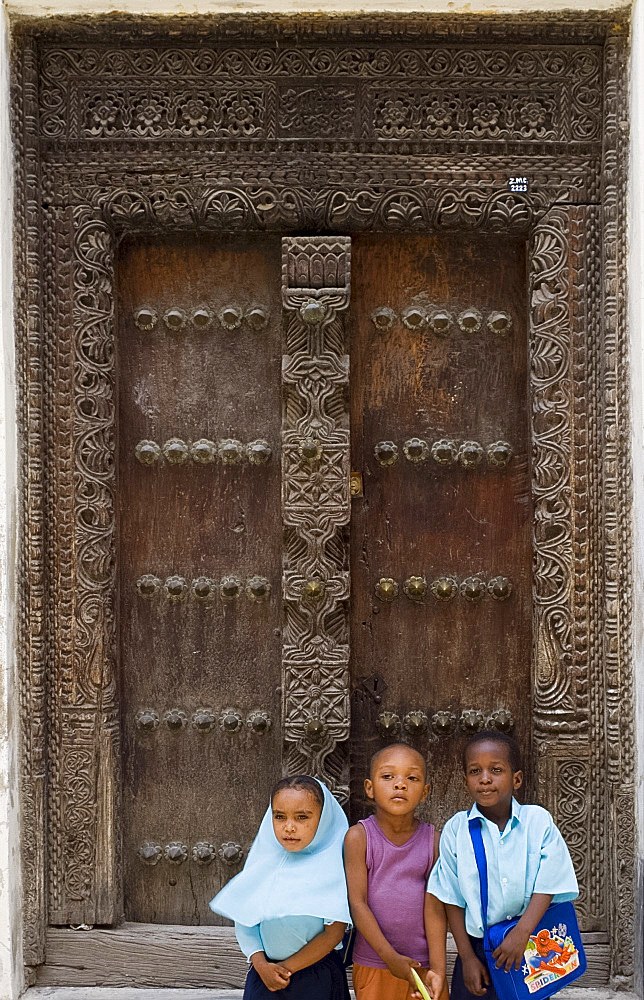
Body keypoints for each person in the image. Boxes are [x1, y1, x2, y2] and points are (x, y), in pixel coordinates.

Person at [427, 730, 579, 1000]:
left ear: (516, 779)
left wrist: (521, 934)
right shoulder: (456, 830)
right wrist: (467, 957)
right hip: (478, 952)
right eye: (475, 771)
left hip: (530, 943)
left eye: (496, 769)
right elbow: (451, 897)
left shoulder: (537, 822)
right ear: (465, 780)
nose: (485, 779)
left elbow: (550, 882)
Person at [209, 774, 351, 999]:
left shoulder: (332, 868)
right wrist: (261, 964)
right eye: (280, 817)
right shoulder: (263, 864)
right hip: (264, 974)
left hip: (316, 976)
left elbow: (332, 935)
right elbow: (246, 921)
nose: (289, 827)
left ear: (323, 820)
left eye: (302, 817)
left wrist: (287, 968)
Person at [344, 743, 448, 1000]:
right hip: (375, 963)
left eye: (411, 778)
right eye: (388, 776)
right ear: (369, 788)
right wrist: (390, 958)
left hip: (422, 966)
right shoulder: (359, 838)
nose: (400, 784)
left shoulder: (433, 841)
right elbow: (358, 904)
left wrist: (438, 969)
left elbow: (435, 907)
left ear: (424, 792)